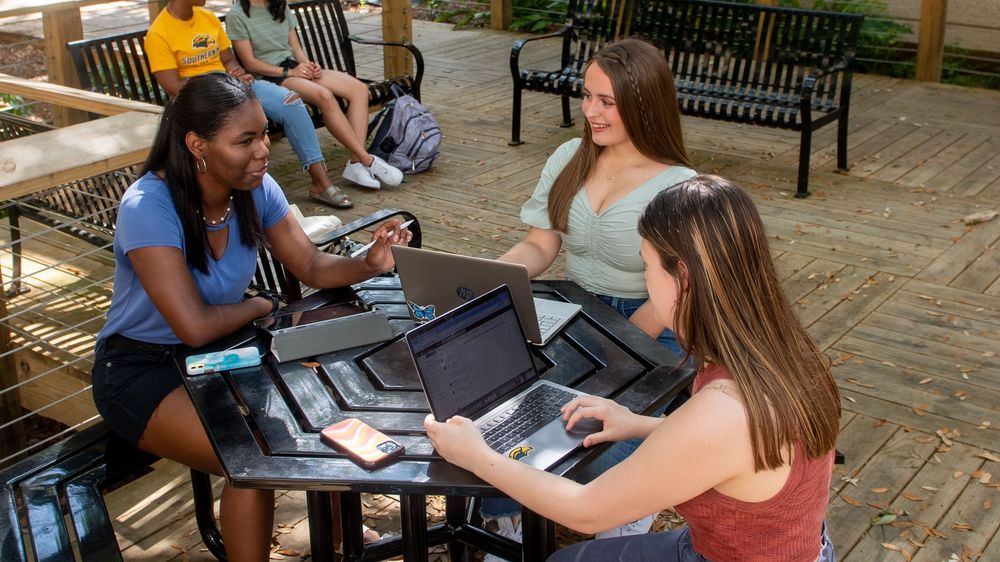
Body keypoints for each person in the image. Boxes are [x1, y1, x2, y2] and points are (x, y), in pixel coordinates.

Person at [426, 175, 841, 562]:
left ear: (684, 277)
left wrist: (477, 456)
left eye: (646, 266)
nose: (645, 279)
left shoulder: (726, 407)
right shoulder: (784, 352)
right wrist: (639, 424)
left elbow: (586, 513)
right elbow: (743, 450)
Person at [91, 73, 409, 561]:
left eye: (263, 133)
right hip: (142, 369)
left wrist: (366, 262)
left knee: (321, 410)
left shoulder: (255, 187)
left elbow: (309, 264)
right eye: (245, 140)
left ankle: (340, 537)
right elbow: (192, 325)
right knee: (255, 454)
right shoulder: (148, 206)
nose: (263, 149)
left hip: (222, 349)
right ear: (197, 144)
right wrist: (261, 306)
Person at [480, 38, 696, 549]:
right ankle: (510, 521)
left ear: (643, 103)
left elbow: (680, 290)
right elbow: (540, 243)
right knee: (506, 412)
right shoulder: (569, 157)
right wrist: (493, 276)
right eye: (587, 96)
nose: (589, 111)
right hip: (571, 312)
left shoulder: (680, 185)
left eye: (606, 102)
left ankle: (624, 512)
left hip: (650, 325)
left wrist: (617, 345)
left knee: (599, 442)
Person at [144, 0, 398, 209]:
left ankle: (320, 183)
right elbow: (173, 86)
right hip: (206, 97)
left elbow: (229, 60)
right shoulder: (159, 33)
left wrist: (236, 71)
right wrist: (221, 82)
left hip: (236, 86)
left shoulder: (207, 18)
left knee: (292, 101)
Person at [225, 0, 404, 199]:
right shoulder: (237, 15)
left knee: (359, 89)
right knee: (324, 95)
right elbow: (250, 63)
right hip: (270, 76)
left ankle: (355, 163)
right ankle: (366, 159)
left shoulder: (279, 6)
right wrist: (290, 71)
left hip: (292, 67)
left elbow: (296, 49)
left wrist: (309, 65)